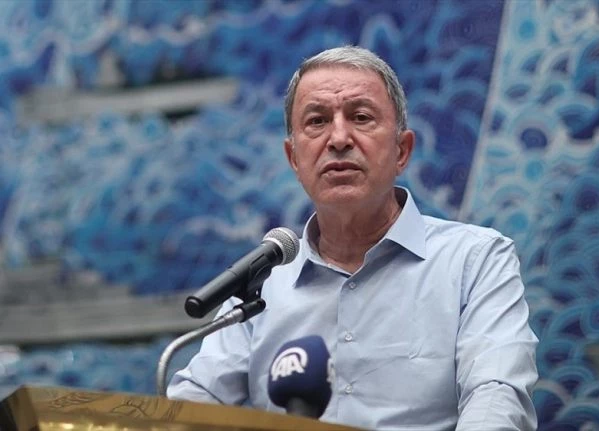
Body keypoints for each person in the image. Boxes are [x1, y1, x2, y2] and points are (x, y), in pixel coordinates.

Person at [168, 46, 538, 430]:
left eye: (361, 117)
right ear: (294, 159)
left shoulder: (475, 259)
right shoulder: (263, 284)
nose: (339, 138)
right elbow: (194, 403)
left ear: (402, 151)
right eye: (317, 121)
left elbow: (497, 395)